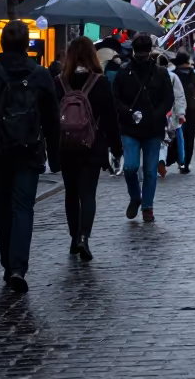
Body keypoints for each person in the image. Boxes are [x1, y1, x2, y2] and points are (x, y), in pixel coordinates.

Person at [0, 21, 60, 292]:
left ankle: (8, 263)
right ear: (27, 43)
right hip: (29, 152)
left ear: (1, 43)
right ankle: (18, 267)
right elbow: (51, 120)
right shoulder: (40, 75)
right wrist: (56, 155)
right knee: (23, 208)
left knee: (3, 210)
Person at [54, 36, 121, 261]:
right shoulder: (100, 82)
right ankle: (84, 237)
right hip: (93, 145)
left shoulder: (60, 81)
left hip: (66, 147)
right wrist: (116, 147)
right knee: (88, 194)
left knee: (71, 194)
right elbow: (111, 117)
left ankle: (74, 238)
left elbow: (51, 118)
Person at [111, 33, 175, 222]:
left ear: (150, 53)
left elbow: (168, 99)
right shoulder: (123, 72)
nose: (141, 58)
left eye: (144, 55)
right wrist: (128, 112)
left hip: (153, 129)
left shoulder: (160, 73)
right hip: (130, 127)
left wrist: (156, 115)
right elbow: (115, 98)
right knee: (130, 167)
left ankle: (148, 206)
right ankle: (135, 197)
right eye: (138, 55)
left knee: (149, 170)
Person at [171, 52, 195, 172]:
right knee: (189, 137)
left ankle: (180, 160)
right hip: (191, 110)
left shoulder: (174, 75)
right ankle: (185, 162)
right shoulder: (193, 76)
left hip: (176, 110)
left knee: (177, 136)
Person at [157, 53, 186, 178]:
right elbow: (179, 96)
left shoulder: (153, 76)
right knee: (178, 138)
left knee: (162, 141)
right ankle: (181, 161)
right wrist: (181, 114)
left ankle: (161, 161)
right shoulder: (173, 77)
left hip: (158, 113)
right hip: (172, 113)